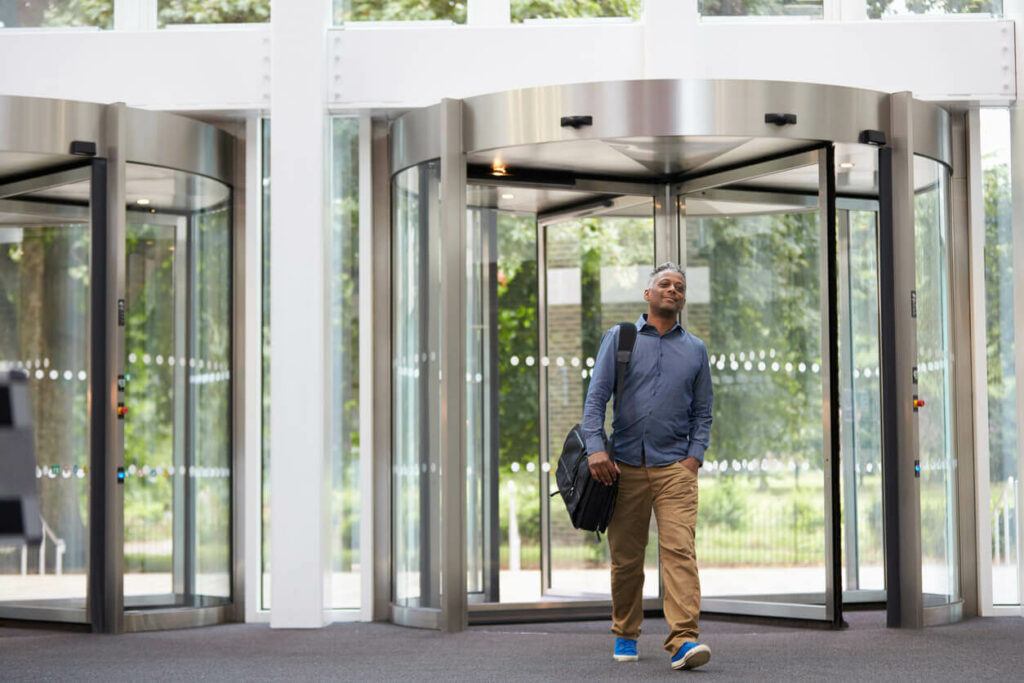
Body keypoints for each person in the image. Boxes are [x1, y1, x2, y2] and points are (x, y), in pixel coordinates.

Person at [582, 262, 713, 671]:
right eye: (664, 284)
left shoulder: (695, 349)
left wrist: (694, 457)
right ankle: (625, 632)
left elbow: (704, 412)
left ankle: (683, 640)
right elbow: (595, 399)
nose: (672, 290)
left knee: (679, 552)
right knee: (626, 557)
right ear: (648, 294)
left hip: (675, 467)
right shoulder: (619, 338)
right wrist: (595, 448)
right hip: (621, 468)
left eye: (679, 286)